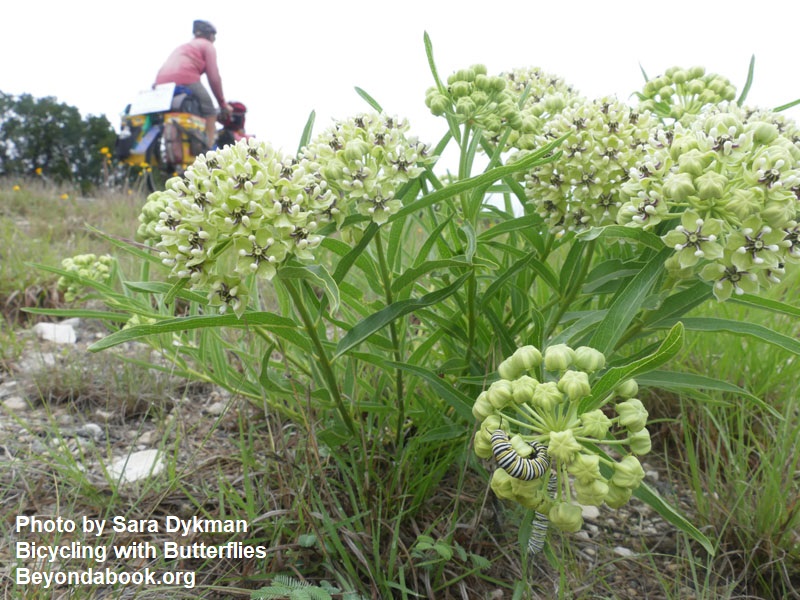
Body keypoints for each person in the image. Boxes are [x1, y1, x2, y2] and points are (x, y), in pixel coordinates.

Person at [154, 20, 233, 147]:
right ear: (209, 35)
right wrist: (222, 104)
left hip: (160, 83)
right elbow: (214, 77)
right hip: (186, 79)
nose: (214, 39)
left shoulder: (184, 46)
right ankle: (209, 151)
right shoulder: (207, 46)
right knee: (210, 111)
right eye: (214, 36)